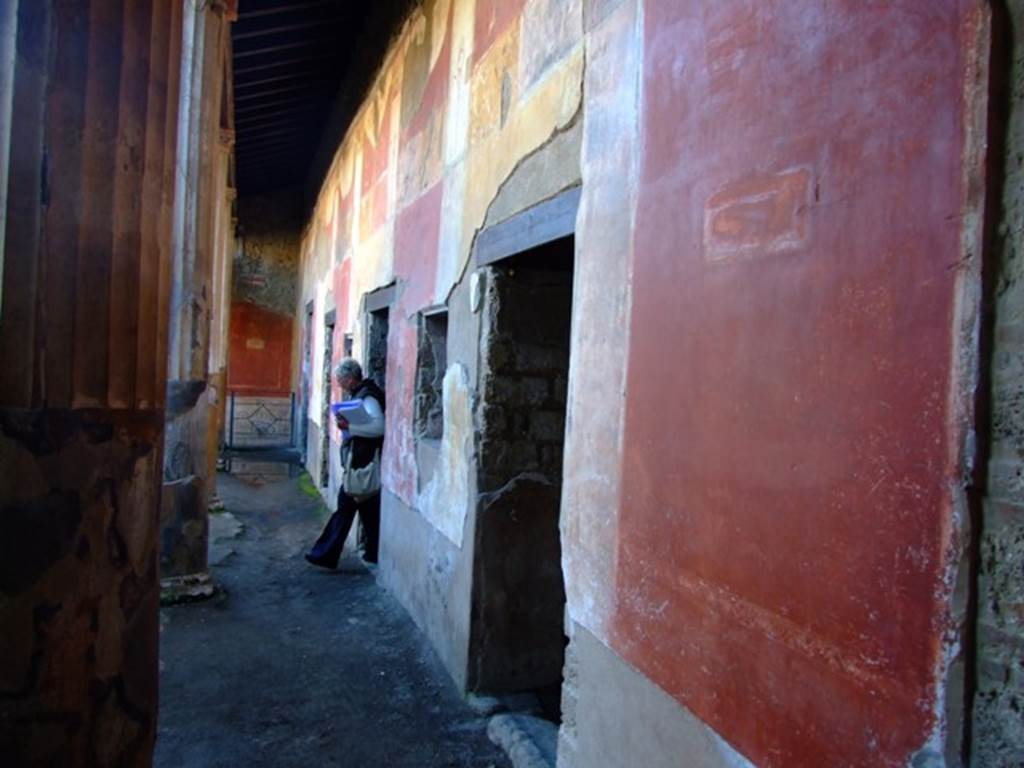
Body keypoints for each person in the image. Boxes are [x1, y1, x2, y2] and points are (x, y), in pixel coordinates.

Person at [305, 358, 386, 568]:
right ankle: (371, 552)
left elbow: (379, 428)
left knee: (346, 508)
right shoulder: (361, 394)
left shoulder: (368, 397)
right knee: (367, 511)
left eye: (341, 380)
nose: (339, 385)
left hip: (364, 462)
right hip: (361, 460)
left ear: (350, 379)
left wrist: (349, 427)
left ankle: (325, 554)